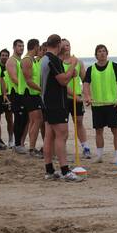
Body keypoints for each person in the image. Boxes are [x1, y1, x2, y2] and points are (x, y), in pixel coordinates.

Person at [41, 34, 82, 181]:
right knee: (62, 134)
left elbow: (61, 78)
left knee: (50, 135)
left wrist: (70, 74)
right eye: (62, 45)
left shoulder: (45, 59)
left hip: (47, 102)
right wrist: (73, 65)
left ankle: (50, 170)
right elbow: (63, 81)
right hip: (55, 103)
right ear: (58, 45)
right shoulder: (52, 60)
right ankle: (65, 171)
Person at [83, 44, 117, 166]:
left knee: (115, 130)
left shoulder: (114, 66)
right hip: (97, 105)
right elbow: (86, 84)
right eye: (99, 51)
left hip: (112, 104)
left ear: (107, 53)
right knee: (98, 131)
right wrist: (87, 96)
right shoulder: (91, 69)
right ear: (96, 54)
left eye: (104, 51)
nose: (102, 53)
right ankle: (99, 155)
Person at [60, 38, 91, 159]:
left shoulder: (78, 62)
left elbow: (85, 80)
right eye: (64, 46)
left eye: (68, 45)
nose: (66, 47)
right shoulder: (58, 61)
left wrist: (87, 95)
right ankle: (62, 149)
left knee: (79, 122)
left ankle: (85, 147)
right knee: (63, 125)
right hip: (63, 97)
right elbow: (61, 82)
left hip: (77, 98)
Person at [20, 39, 43, 157]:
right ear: (35, 47)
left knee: (37, 120)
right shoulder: (27, 60)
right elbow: (28, 81)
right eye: (38, 47)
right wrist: (41, 89)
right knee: (35, 121)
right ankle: (32, 149)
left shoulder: (33, 60)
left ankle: (32, 148)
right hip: (29, 93)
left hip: (35, 94)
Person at [6, 39, 28, 154]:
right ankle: (17, 143)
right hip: (15, 93)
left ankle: (20, 143)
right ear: (14, 47)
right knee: (19, 118)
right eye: (19, 46)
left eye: (23, 46)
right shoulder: (11, 61)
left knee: (25, 119)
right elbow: (14, 78)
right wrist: (28, 85)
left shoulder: (22, 60)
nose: (21, 48)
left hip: (23, 93)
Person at [0, 48, 14, 148]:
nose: (4, 57)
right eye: (2, 55)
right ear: (0, 56)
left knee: (9, 118)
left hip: (9, 95)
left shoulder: (10, 67)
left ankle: (10, 140)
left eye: (6, 55)